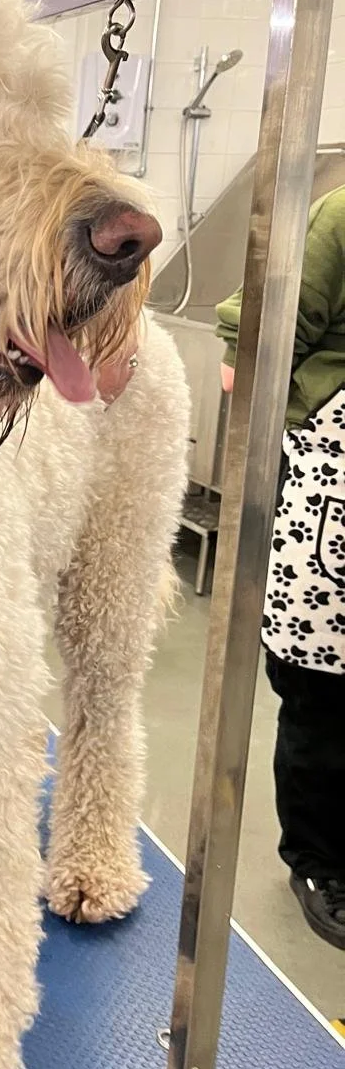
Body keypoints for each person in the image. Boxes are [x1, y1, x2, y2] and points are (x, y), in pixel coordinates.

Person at [217, 184, 345, 951]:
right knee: (324, 695)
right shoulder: (341, 216)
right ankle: (321, 864)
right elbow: (252, 352)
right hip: (331, 481)